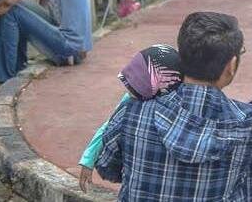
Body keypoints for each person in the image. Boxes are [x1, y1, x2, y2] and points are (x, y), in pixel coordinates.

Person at [93, 12, 252, 200]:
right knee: (244, 172)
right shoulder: (250, 122)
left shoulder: (136, 109)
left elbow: (106, 166)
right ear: (231, 66)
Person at [77, 44, 186, 192]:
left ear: (159, 83)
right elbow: (108, 126)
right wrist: (88, 160)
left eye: (136, 83)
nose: (129, 88)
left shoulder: (181, 106)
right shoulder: (130, 100)